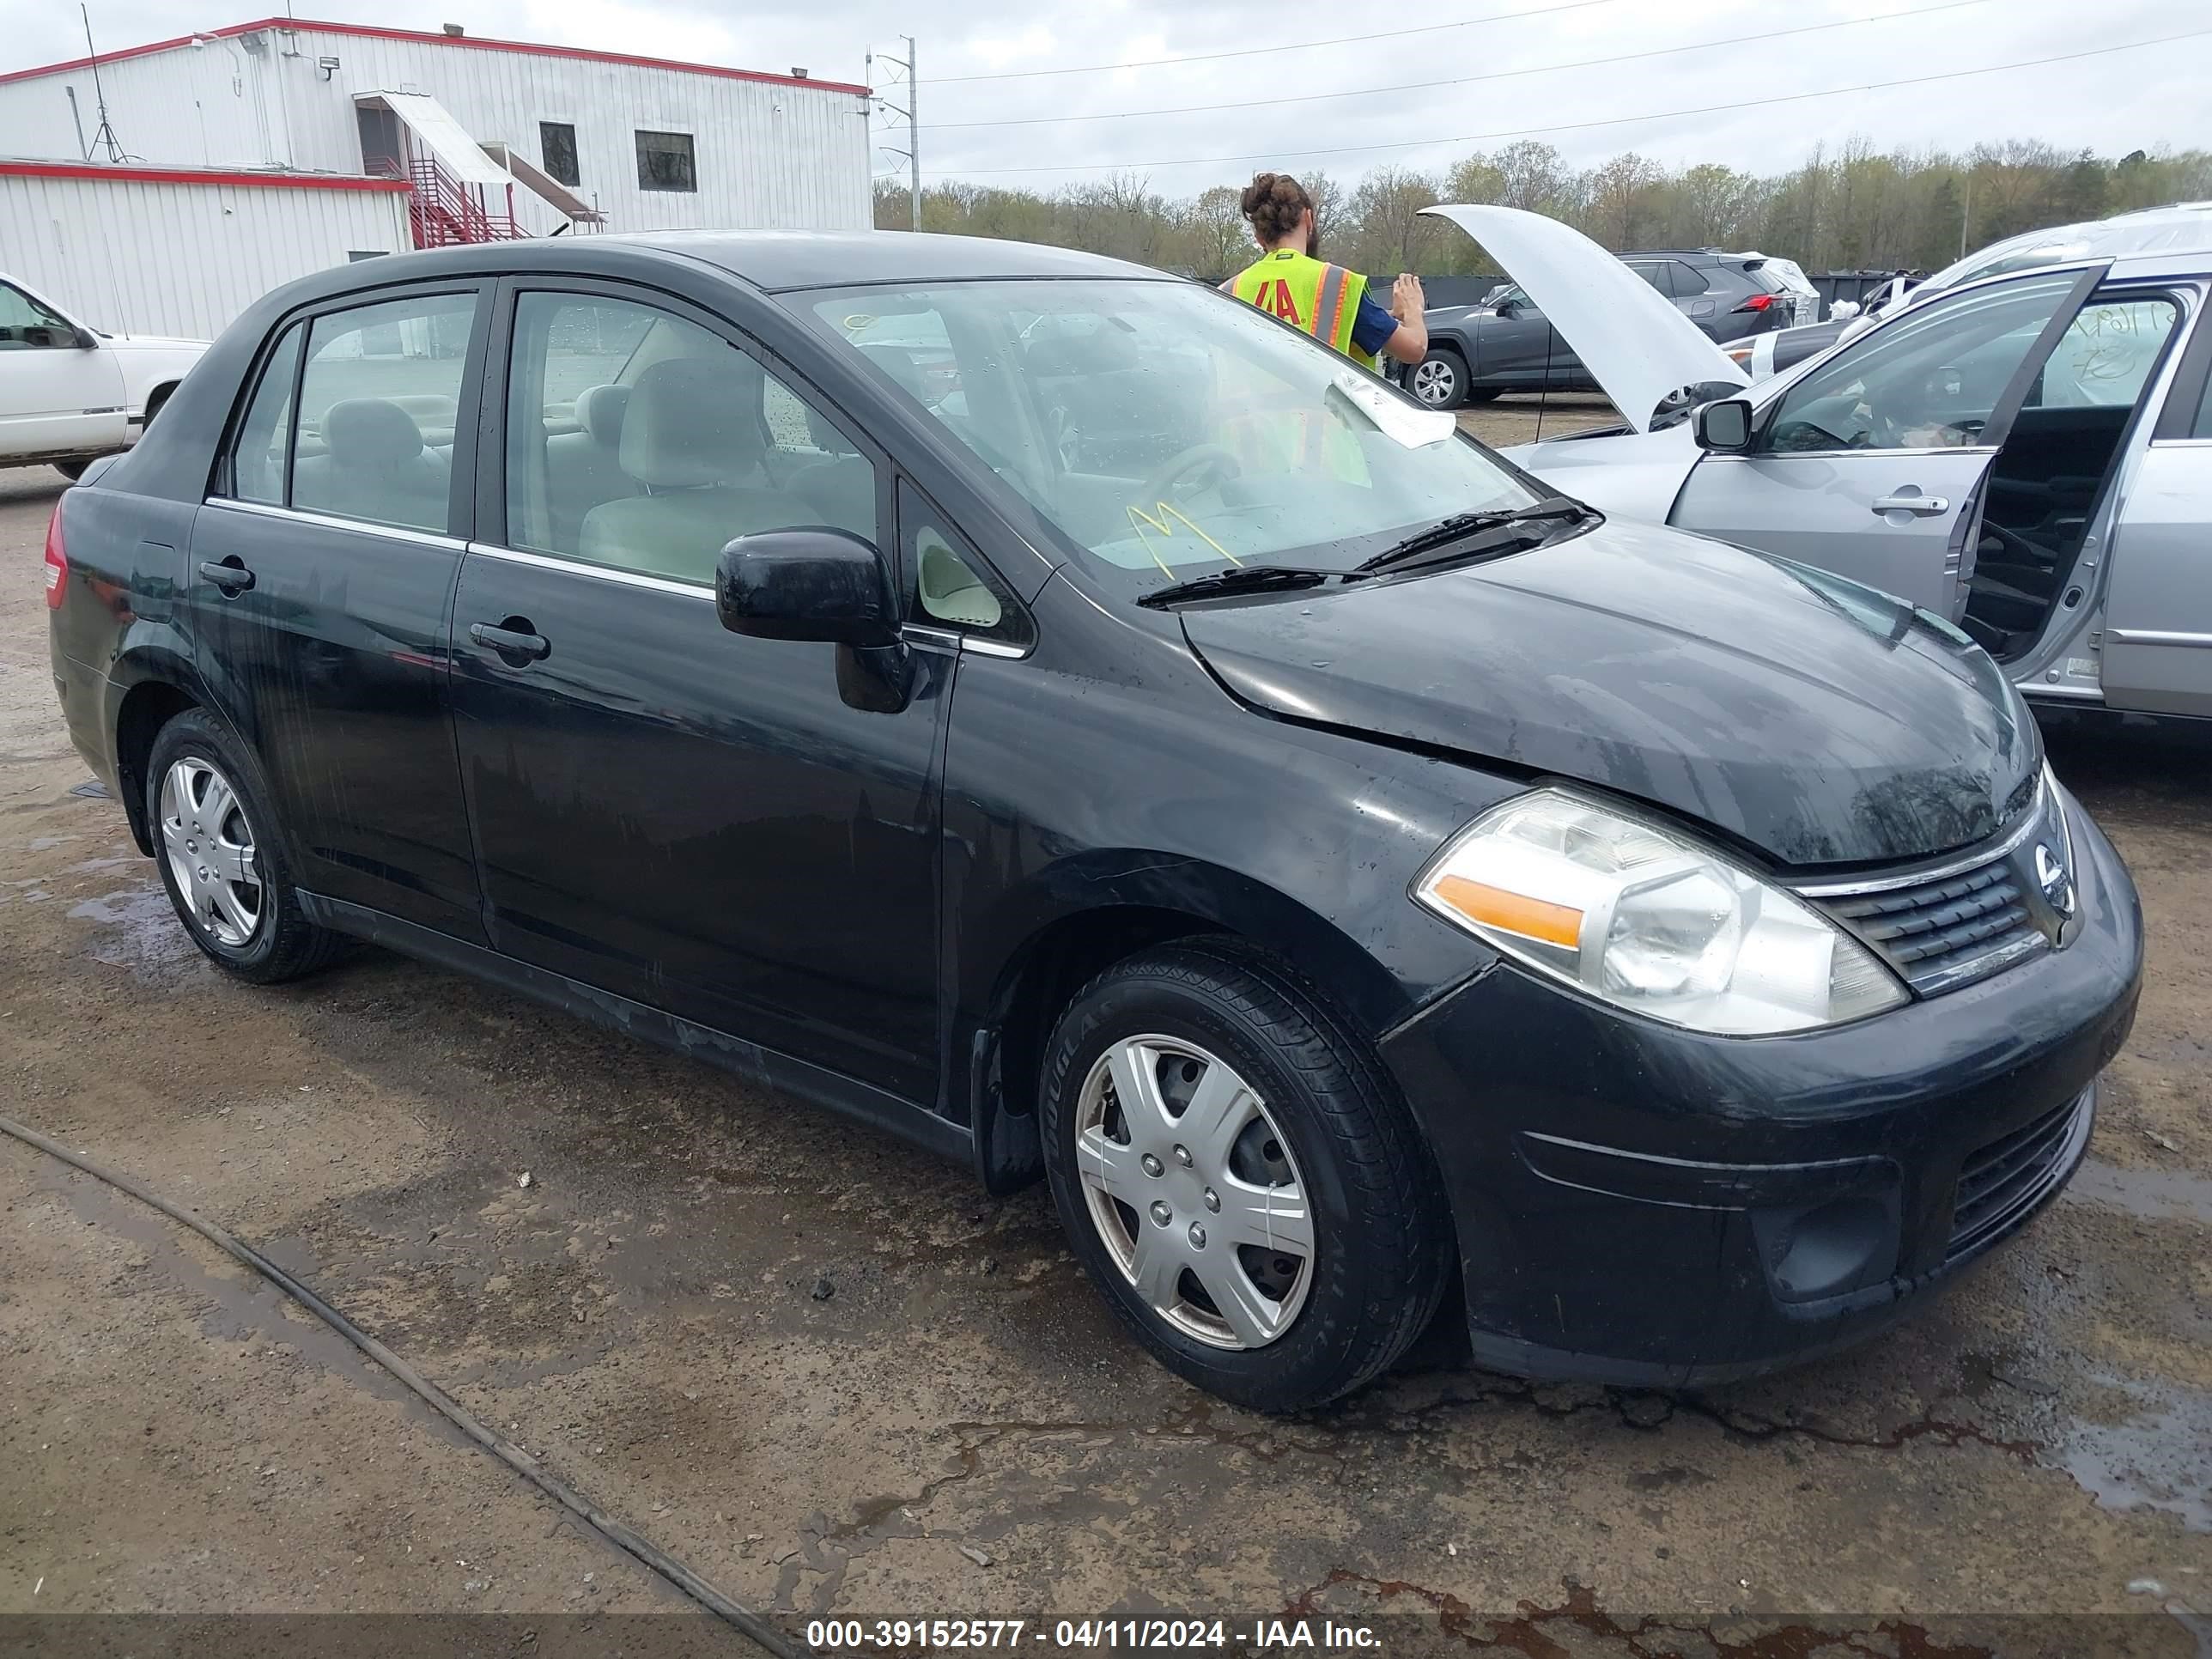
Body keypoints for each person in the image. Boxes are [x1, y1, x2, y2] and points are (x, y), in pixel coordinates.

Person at [1223, 173, 1427, 371]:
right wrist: (1413, 311)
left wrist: (1390, 316)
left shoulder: (1227, 292)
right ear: (1308, 219)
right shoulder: (1335, 286)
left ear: (1259, 237)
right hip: (1319, 406)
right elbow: (1414, 348)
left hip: (1246, 407)